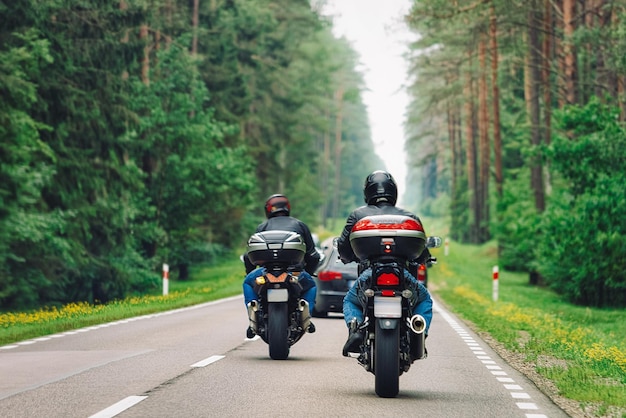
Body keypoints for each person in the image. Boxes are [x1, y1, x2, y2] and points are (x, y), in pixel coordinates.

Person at [336, 170, 434, 357]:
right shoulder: (409, 217)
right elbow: (421, 249)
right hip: (403, 276)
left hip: (369, 275)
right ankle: (419, 332)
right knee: (424, 300)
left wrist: (347, 257)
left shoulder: (358, 215)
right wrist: (424, 259)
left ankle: (356, 330)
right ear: (393, 192)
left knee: (351, 300)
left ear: (368, 192)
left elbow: (344, 246)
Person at [243, 194, 320, 338]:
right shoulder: (299, 225)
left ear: (268, 210)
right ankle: (307, 316)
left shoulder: (262, 227)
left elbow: (249, 254)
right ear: (287, 208)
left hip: (265, 273)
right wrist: (307, 272)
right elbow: (313, 255)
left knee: (248, 282)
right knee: (311, 285)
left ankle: (253, 317)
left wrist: (249, 272)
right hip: (295, 272)